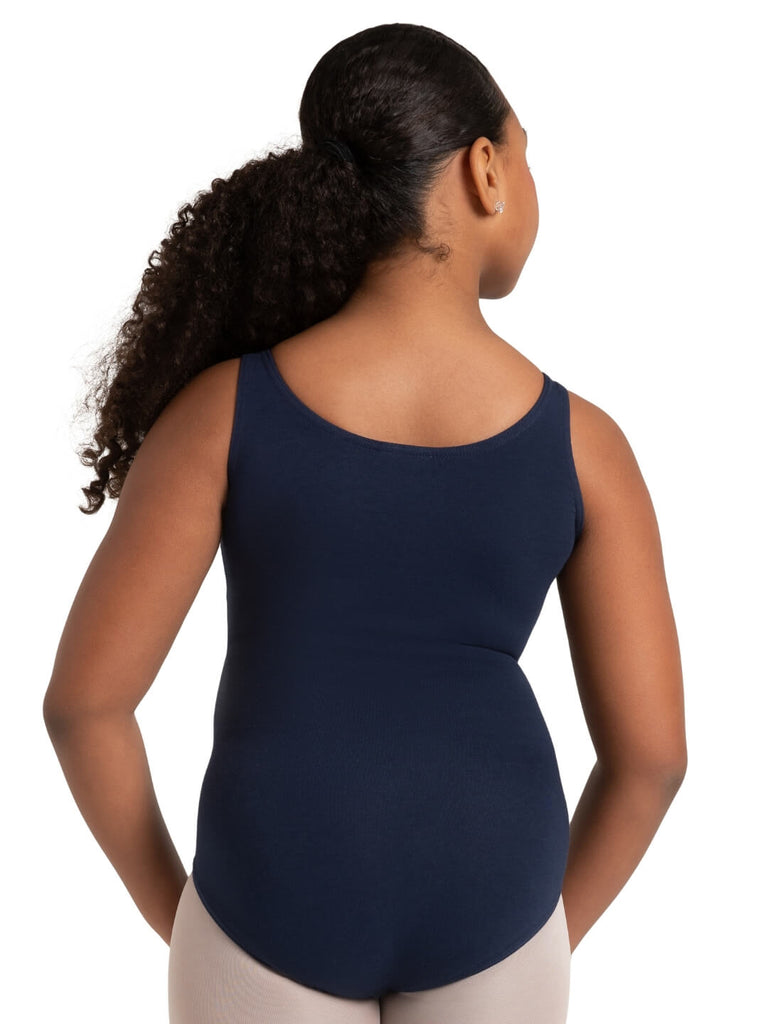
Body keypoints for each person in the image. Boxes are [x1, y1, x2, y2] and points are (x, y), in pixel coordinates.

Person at [42, 22, 687, 1024]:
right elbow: (652, 758)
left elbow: (85, 707)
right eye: (526, 154)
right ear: (486, 169)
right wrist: (541, 934)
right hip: (499, 904)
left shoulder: (223, 412)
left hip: (264, 902)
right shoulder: (586, 446)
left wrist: (191, 923)